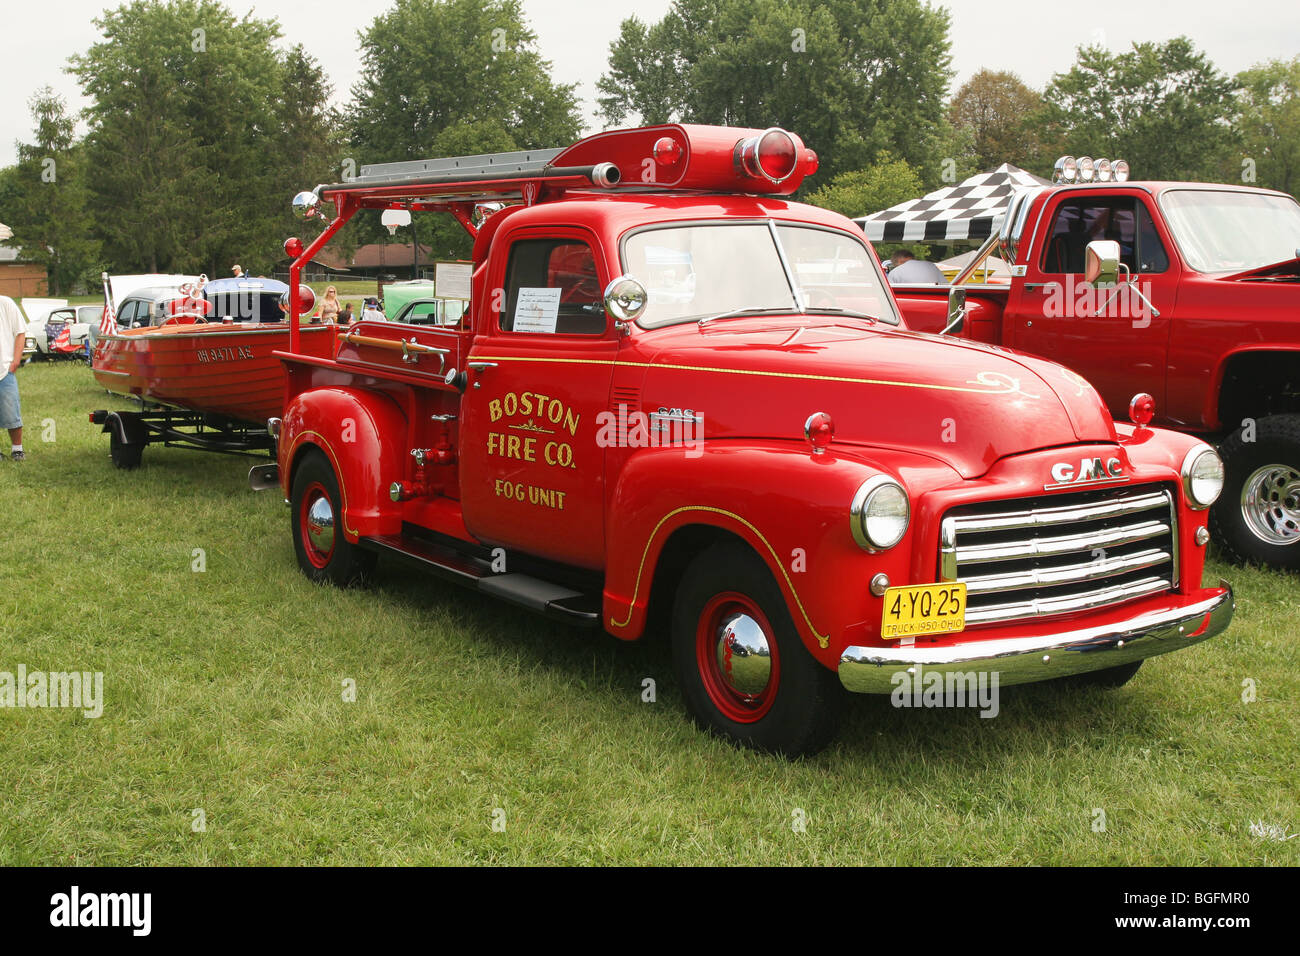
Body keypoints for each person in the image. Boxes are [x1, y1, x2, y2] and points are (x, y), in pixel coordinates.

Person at [0, 294, 26, 461]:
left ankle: (17, 449)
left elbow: (20, 332)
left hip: (4, 369)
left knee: (11, 411)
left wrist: (15, 361)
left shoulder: (5, 303)